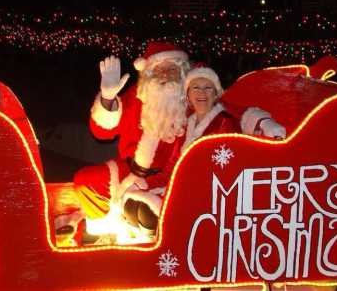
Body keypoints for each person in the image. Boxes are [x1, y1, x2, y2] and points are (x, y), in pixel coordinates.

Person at [73, 42, 285, 241]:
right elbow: (102, 133)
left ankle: (145, 241)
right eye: (158, 69)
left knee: (150, 209)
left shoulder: (195, 100)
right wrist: (108, 98)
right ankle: (105, 234)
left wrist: (264, 123)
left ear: (184, 73)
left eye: (171, 69)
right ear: (147, 74)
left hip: (170, 177)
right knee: (87, 181)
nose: (164, 75)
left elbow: (233, 112)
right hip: (130, 172)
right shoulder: (135, 97)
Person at [122, 63, 244, 233]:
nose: (201, 93)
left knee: (147, 212)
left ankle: (161, 248)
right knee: (131, 205)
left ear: (216, 93)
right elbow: (171, 169)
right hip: (181, 184)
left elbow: (224, 172)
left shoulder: (225, 122)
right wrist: (144, 184)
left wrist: (181, 188)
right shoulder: (187, 125)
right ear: (187, 95)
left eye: (208, 88)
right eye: (196, 88)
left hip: (206, 192)